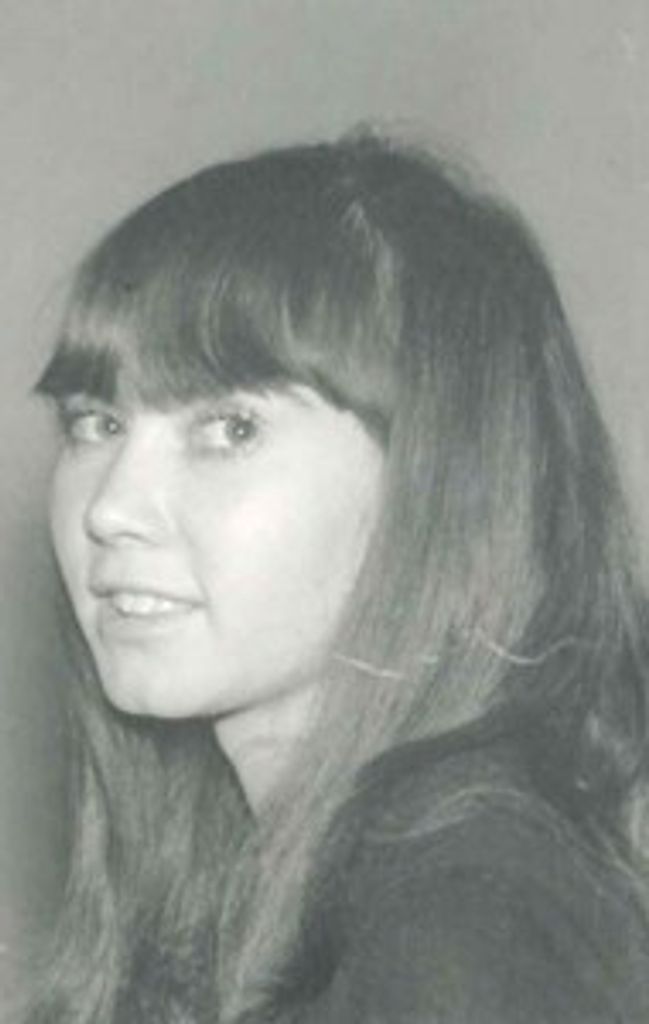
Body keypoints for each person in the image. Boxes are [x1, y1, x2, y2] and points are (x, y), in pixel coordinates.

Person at [27, 132, 649, 1022]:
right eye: (96, 423)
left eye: (230, 429)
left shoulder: (464, 931)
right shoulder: (253, 882)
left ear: (435, 479)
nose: (110, 507)